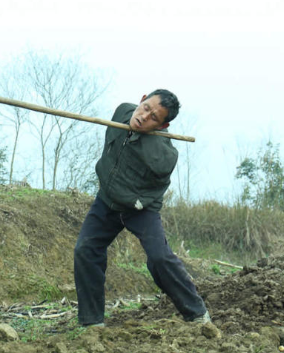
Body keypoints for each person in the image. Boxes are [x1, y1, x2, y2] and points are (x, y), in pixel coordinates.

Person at [74, 89, 210, 326]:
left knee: (159, 258)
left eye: (154, 118)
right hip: (107, 200)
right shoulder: (122, 111)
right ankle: (91, 322)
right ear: (142, 99)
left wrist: (138, 203)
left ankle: (197, 314)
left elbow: (156, 187)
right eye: (146, 108)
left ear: (162, 125)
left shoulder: (163, 154)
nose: (144, 117)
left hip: (140, 208)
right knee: (86, 250)